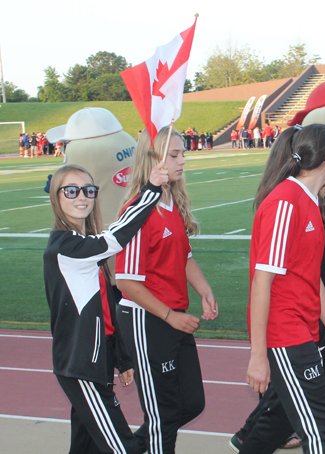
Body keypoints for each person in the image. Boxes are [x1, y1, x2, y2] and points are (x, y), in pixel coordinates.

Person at [246, 82, 325, 454]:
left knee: (322, 426)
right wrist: (258, 354)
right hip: (285, 336)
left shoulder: (310, 201)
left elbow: (312, 281)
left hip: (304, 331)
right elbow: (261, 283)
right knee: (320, 432)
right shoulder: (286, 203)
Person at [44, 162, 169, 454]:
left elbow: (105, 306)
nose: (82, 197)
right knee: (125, 448)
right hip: (81, 367)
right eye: (71, 190)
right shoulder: (65, 248)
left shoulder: (82, 244)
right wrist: (151, 190)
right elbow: (116, 238)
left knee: (86, 446)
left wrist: (122, 358)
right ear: (56, 197)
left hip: (94, 364)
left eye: (89, 190)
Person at [115, 126, 219, 454]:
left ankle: (128, 448)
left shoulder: (171, 199)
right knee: (162, 415)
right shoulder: (136, 210)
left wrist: (204, 289)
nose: (182, 161)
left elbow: (183, 256)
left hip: (174, 317)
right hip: (149, 320)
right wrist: (171, 315)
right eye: (174, 155)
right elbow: (126, 281)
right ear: (152, 161)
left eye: (183, 153)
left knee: (191, 403)